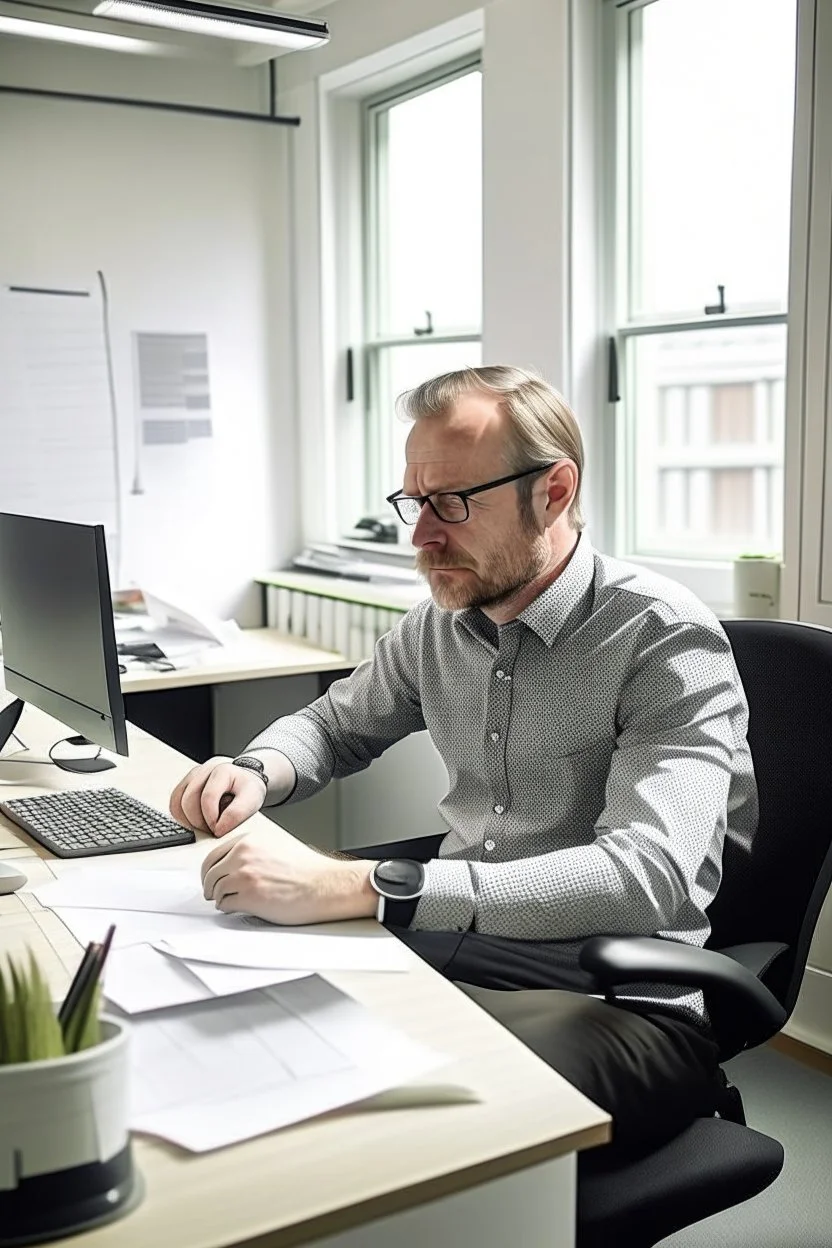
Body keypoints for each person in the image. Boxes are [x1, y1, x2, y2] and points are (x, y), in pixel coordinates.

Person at [170, 365, 757, 1157]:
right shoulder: (441, 623)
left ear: (553, 491)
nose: (421, 537)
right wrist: (256, 767)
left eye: (451, 503)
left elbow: (643, 879)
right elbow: (338, 725)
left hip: (620, 991)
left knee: (402, 1129)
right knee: (244, 1040)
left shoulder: (661, 638)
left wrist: (363, 885)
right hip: (460, 943)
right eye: (415, 503)